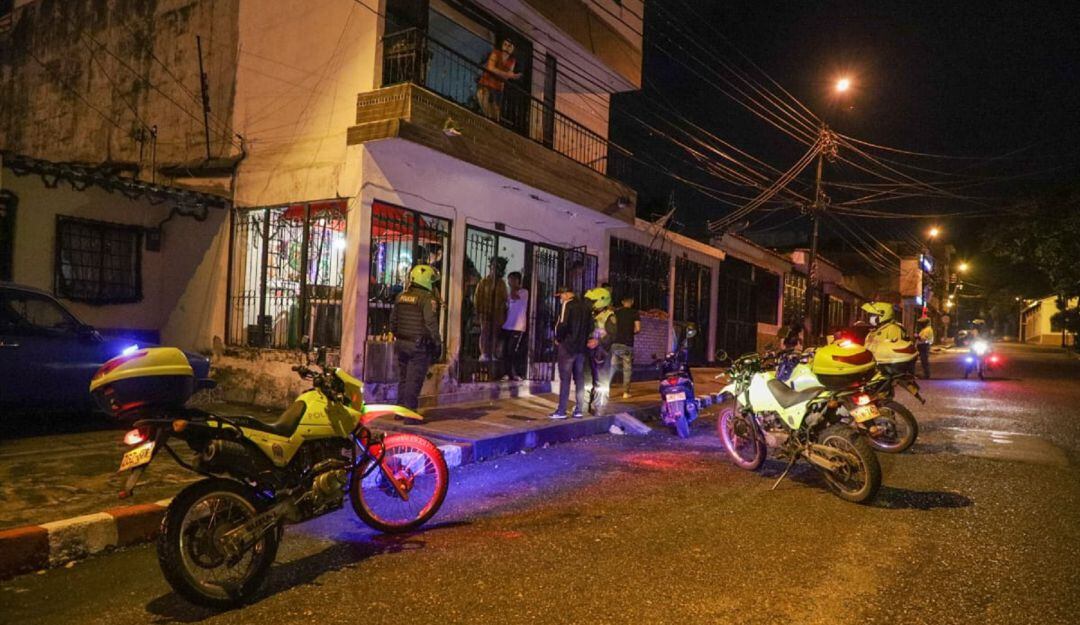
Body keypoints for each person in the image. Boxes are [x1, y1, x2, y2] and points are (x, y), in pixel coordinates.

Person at [389, 265, 442, 410]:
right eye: (432, 281)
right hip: (418, 346)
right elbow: (431, 323)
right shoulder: (426, 299)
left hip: (401, 344)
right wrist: (437, 343)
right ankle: (409, 414)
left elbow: (393, 322)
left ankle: (399, 410)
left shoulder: (401, 297)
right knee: (414, 381)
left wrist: (399, 336)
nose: (434, 284)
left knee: (403, 379)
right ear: (425, 280)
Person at [550, 285, 591, 419]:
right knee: (579, 379)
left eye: (561, 295)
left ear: (567, 294)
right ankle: (579, 409)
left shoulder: (567, 305)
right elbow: (590, 327)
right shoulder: (586, 307)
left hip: (567, 347)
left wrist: (558, 338)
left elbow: (562, 325)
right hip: (581, 348)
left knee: (565, 379)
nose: (560, 299)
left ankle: (561, 410)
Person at [584, 286, 617, 414]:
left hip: (602, 352)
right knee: (587, 380)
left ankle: (600, 408)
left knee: (602, 381)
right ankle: (584, 405)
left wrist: (598, 341)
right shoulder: (592, 314)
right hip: (589, 350)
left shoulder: (610, 316)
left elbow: (612, 335)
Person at [476, 37, 522, 120]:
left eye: (509, 46)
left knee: (495, 115)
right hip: (486, 84)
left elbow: (507, 76)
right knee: (486, 109)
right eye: (505, 44)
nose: (506, 47)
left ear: (513, 49)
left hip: (498, 89)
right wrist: (506, 74)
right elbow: (490, 68)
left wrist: (504, 74)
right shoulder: (496, 53)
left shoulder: (512, 60)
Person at [474, 256, 508, 362]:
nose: (495, 270)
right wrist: (478, 312)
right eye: (493, 267)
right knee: (485, 333)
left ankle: (493, 353)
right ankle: (484, 353)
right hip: (485, 312)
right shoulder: (483, 282)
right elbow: (477, 298)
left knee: (495, 334)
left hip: (497, 314)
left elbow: (505, 299)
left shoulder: (502, 284)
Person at [611, 296, 641, 399]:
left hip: (615, 343)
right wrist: (629, 332)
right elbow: (637, 329)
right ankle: (625, 392)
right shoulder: (634, 313)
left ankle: (605, 390)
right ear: (631, 302)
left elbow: (612, 325)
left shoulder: (617, 313)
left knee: (612, 367)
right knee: (627, 369)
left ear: (622, 302)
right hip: (627, 344)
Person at [501, 271, 529, 381]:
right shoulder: (508, 294)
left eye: (512, 279)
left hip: (517, 327)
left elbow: (515, 296)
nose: (510, 282)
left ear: (518, 280)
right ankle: (507, 373)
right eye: (509, 280)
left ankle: (515, 373)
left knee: (513, 351)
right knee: (505, 351)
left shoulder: (524, 292)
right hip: (507, 326)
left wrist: (511, 287)